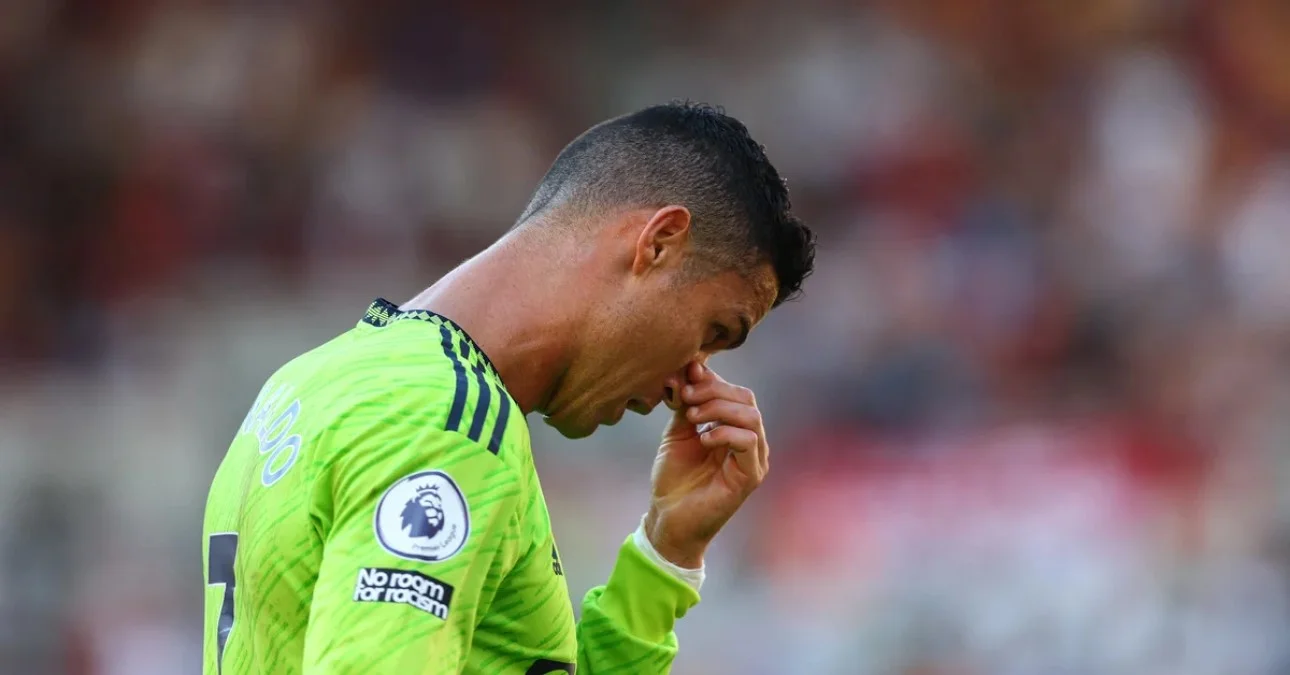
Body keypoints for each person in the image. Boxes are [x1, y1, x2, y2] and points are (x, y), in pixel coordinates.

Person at [201, 101, 816, 674]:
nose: (691, 381)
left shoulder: (313, 379)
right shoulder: (449, 421)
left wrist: (665, 553)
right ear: (658, 244)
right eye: (713, 331)